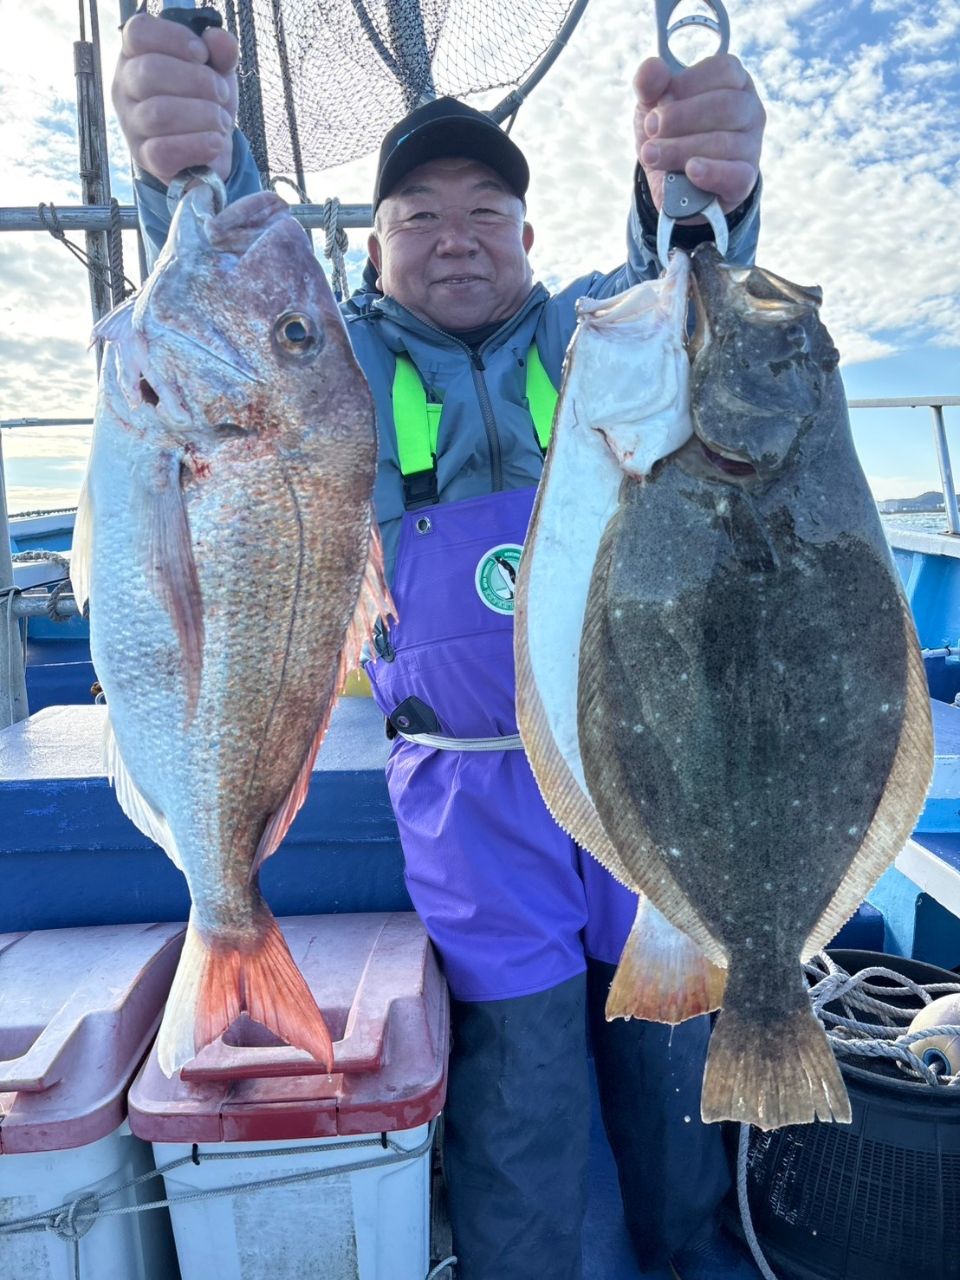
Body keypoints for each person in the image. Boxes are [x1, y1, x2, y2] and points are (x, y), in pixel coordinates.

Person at [113, 15, 766, 1280]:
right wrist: (190, 171)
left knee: (682, 1068)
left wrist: (700, 196)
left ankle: (700, 1255)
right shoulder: (335, 366)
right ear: (371, 249)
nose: (455, 232)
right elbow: (238, 327)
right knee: (523, 1099)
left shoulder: (594, 334)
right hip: (471, 802)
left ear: (533, 241)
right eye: (417, 214)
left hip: (640, 769)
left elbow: (686, 293)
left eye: (487, 210)